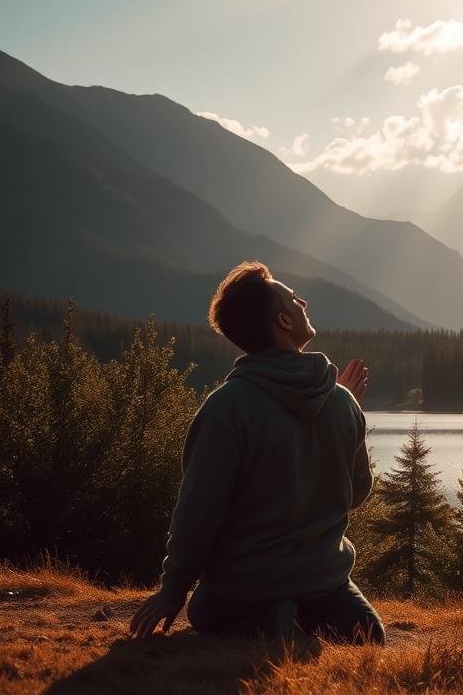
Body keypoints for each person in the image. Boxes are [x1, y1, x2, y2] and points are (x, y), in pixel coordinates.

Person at [128, 260, 384, 644]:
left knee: (203, 609)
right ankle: (296, 619)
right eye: (295, 299)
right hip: (321, 580)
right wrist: (350, 415)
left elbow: (197, 513)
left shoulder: (225, 408)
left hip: (243, 584)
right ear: (283, 321)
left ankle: (269, 621)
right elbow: (357, 493)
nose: (304, 301)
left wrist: (173, 591)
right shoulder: (342, 404)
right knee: (368, 637)